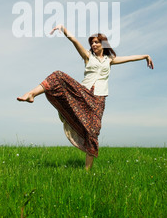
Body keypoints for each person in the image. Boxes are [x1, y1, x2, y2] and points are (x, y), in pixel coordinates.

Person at [17, 25, 154, 170]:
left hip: (99, 99)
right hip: (83, 93)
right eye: (92, 42)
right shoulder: (88, 56)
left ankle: (86, 172)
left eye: (97, 42)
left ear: (103, 44)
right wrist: (63, 29)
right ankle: (31, 94)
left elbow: (129, 58)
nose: (94, 45)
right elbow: (74, 41)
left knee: (93, 131)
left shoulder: (110, 60)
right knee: (58, 75)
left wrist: (145, 56)